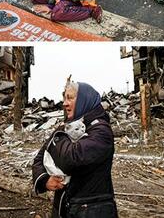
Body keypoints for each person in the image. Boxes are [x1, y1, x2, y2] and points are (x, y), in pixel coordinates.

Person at [32, 81, 117, 218]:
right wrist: (44, 179)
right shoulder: (68, 127)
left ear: (84, 100)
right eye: (64, 98)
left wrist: (58, 137)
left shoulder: (101, 131)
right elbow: (40, 157)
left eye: (70, 98)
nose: (65, 103)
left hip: (92, 209)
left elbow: (72, 158)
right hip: (64, 205)